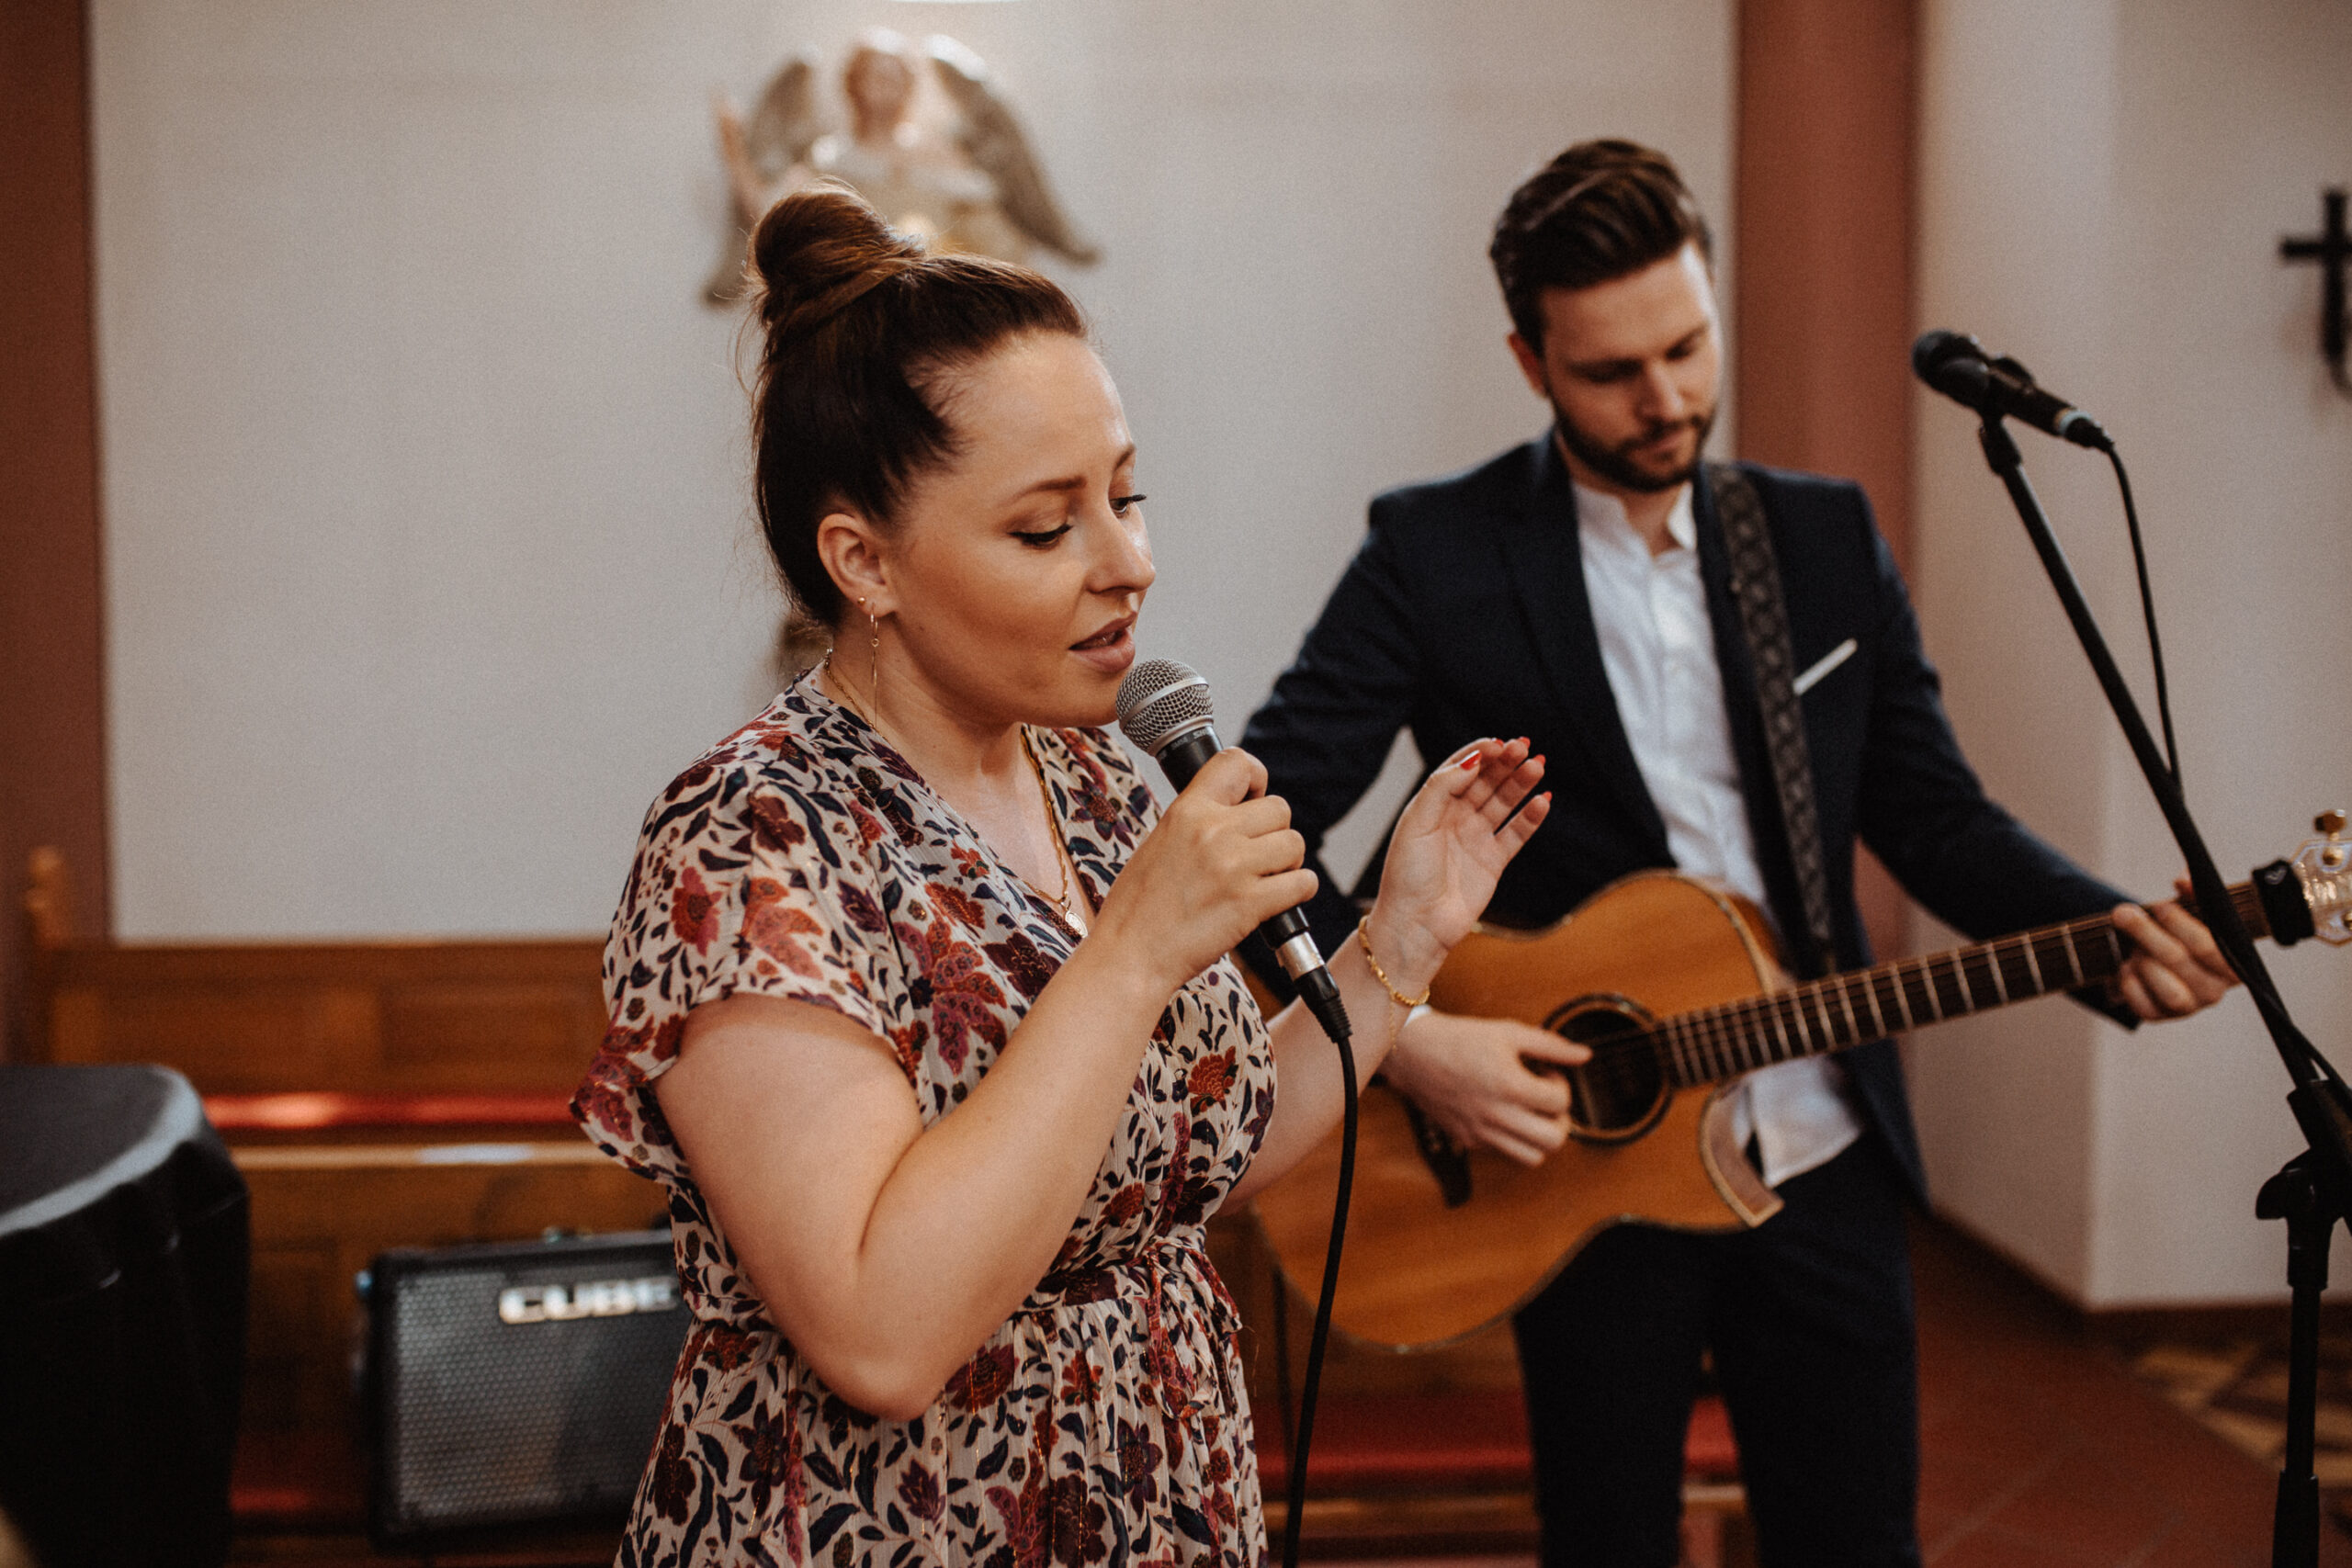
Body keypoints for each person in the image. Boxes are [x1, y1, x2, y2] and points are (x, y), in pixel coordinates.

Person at [1237, 140, 2236, 1567]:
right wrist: (1407, 1043)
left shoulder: (1818, 542)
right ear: (1531, 363)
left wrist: (2116, 936)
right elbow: (1253, 827)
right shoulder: (1434, 556)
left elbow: (1937, 818)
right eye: (1612, 373)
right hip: (1578, 1167)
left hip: (1823, 1149)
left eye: (1690, 347)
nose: (1669, 400)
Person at [571, 183, 1555, 1568]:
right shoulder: (752, 836)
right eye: (1048, 529)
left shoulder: (1089, 780)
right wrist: (1135, 951)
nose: (1132, 564)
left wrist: (1396, 951)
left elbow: (1181, 1164)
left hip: (1161, 1497)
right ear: (865, 560)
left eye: (1127, 495)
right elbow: (878, 1331)